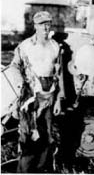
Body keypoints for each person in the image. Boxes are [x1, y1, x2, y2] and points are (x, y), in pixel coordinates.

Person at [10, 11, 63, 173]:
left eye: (48, 23)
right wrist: (21, 87)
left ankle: (41, 170)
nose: (46, 27)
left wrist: (59, 100)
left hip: (48, 94)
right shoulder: (26, 46)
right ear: (35, 26)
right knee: (28, 134)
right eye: (41, 24)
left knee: (46, 134)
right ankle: (24, 170)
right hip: (30, 93)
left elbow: (59, 74)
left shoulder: (55, 46)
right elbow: (14, 66)